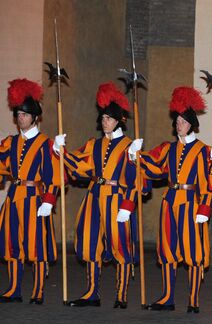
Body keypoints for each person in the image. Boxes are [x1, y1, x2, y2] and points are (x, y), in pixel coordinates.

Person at [56, 82, 141, 308]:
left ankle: (121, 295)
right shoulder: (94, 144)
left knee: (119, 245)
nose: (105, 122)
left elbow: (136, 179)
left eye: (109, 119)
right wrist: (61, 152)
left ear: (119, 120)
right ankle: (92, 293)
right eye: (103, 118)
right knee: (89, 243)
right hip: (94, 196)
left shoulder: (129, 146)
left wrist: (128, 204)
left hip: (116, 197)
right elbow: (79, 165)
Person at [136, 86, 212, 312]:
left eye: (183, 121)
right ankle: (167, 297)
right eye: (177, 120)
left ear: (191, 124)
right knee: (168, 250)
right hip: (170, 201)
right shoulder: (168, 149)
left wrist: (205, 208)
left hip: (192, 202)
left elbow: (208, 180)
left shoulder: (202, 151)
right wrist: (136, 157)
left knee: (193, 252)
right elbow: (154, 168)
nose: (179, 124)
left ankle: (193, 300)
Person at [0, 78, 60, 304]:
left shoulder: (46, 144)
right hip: (14, 197)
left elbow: (53, 175)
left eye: (24, 114)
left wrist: (49, 200)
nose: (20, 118)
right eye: (18, 114)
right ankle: (14, 289)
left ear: (35, 117)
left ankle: (38, 291)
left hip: (35, 199)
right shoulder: (10, 142)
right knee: (12, 243)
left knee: (37, 245)